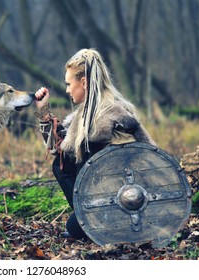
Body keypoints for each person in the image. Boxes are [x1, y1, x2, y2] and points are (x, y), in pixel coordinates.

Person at [33, 48, 156, 240]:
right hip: (105, 201)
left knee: (74, 225)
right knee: (62, 164)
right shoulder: (87, 115)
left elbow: (135, 161)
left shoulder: (112, 115)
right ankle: (88, 219)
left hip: (128, 204)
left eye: (68, 84)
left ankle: (94, 221)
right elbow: (60, 150)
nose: (66, 90)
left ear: (83, 82)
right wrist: (43, 112)